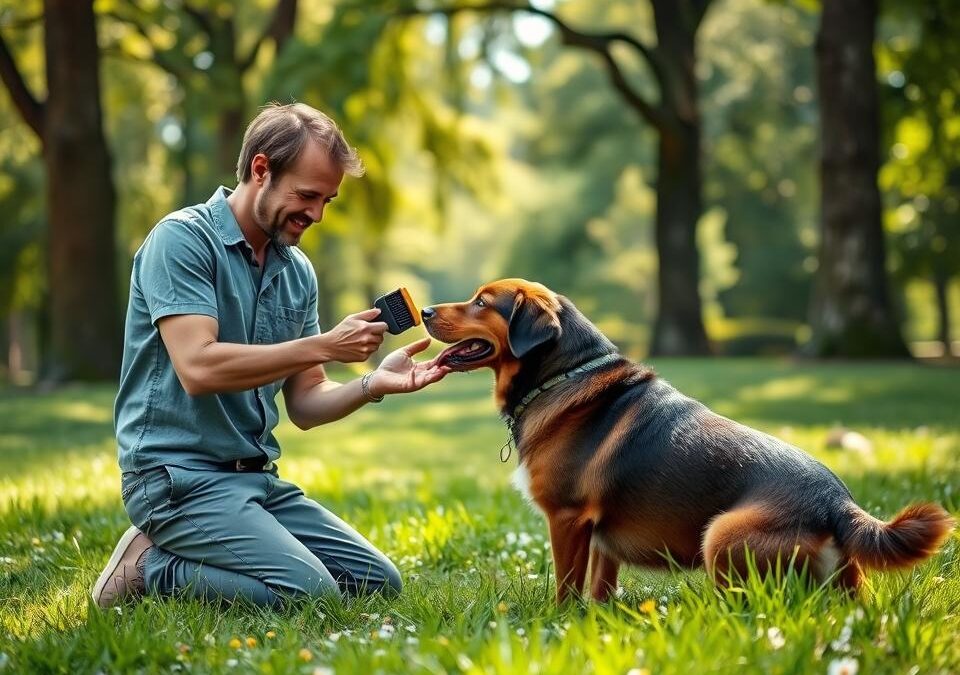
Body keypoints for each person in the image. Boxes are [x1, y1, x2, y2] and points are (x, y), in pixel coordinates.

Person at [91, 103, 449, 608]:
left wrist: (372, 385)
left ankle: (210, 547)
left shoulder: (296, 272)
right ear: (261, 169)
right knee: (313, 594)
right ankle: (150, 567)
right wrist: (326, 343)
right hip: (177, 479)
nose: (317, 214)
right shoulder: (182, 241)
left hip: (256, 480)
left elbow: (306, 402)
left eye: (327, 200)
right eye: (307, 195)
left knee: (376, 582)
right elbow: (198, 367)